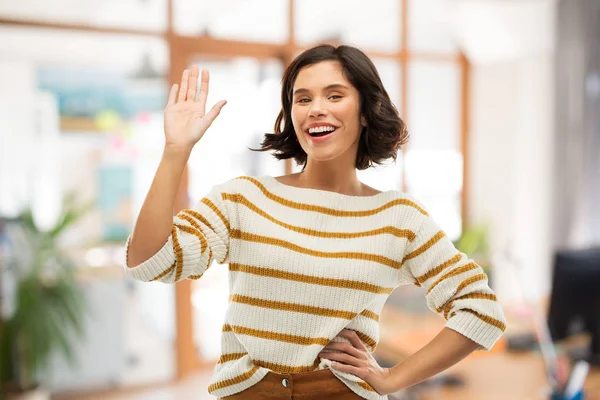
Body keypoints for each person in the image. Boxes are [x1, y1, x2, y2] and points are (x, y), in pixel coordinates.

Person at [124, 44, 506, 400]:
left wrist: (393, 378)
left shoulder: (399, 219)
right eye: (302, 98)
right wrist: (176, 152)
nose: (315, 108)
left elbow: (479, 309)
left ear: (365, 111)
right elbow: (149, 261)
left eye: (334, 95)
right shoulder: (243, 199)